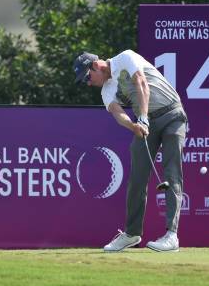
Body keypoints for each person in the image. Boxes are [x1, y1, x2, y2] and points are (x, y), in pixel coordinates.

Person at [74, 49, 187, 252]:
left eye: (87, 78)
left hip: (173, 115)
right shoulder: (106, 90)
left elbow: (141, 82)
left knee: (171, 174)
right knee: (137, 179)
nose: (88, 83)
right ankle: (132, 233)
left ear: (95, 66)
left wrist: (141, 116)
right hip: (146, 124)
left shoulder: (125, 58)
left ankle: (172, 235)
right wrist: (134, 126)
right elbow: (118, 114)